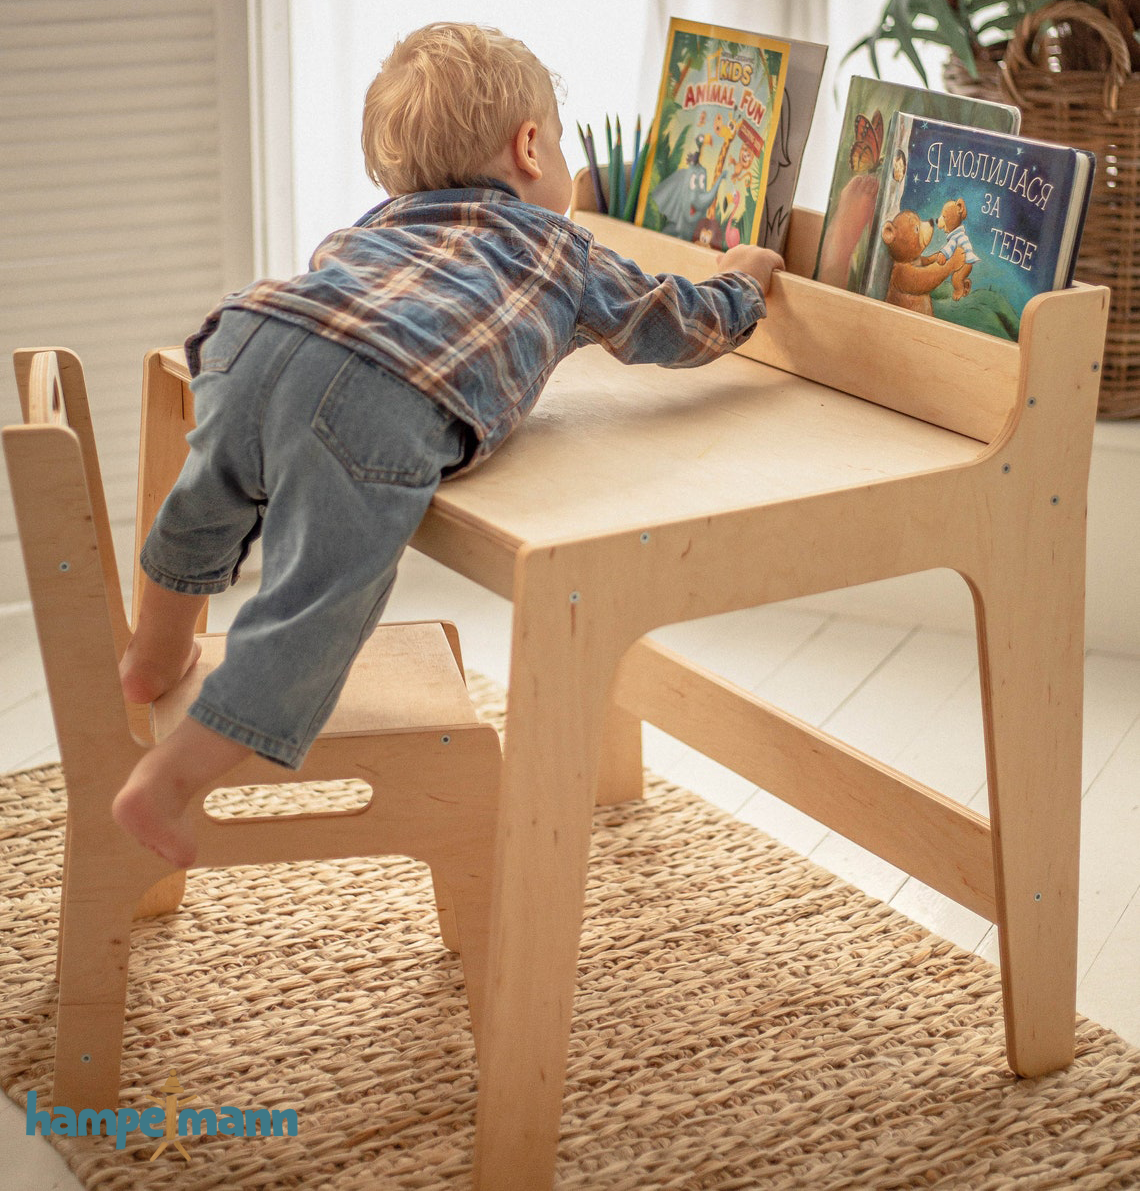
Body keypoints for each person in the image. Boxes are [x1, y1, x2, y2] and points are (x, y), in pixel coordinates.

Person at [112, 21, 784, 869]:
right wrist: (745, 287)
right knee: (318, 596)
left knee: (208, 492)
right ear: (530, 147)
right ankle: (170, 782)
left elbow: (355, 307)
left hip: (254, 332)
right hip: (376, 389)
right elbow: (668, 323)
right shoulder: (559, 247)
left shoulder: (375, 226)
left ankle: (155, 649)